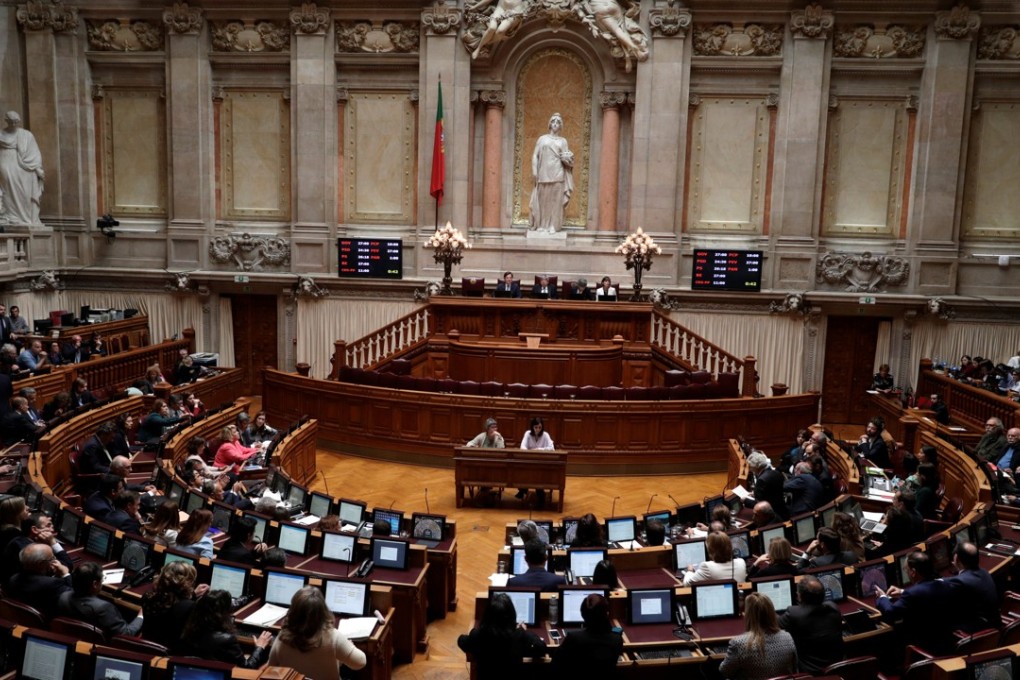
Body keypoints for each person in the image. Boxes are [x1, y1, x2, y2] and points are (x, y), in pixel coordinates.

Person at [268, 586, 366, 679]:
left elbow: (271, 666)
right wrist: (346, 648)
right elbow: (360, 662)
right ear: (323, 611)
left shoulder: (283, 636)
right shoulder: (333, 637)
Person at [875, 551, 957, 656]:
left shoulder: (913, 593)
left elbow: (890, 612)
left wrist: (882, 597)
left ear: (913, 572)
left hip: (923, 649)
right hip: (948, 644)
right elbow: (926, 593)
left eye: (906, 570)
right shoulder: (945, 583)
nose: (907, 573)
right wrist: (902, 592)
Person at [457, 592, 547, 679]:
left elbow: (461, 640)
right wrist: (524, 631)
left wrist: (475, 633)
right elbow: (541, 648)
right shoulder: (519, 635)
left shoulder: (478, 635)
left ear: (487, 615)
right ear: (512, 615)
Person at [179, 589, 272, 666]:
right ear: (223, 614)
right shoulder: (227, 640)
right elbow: (247, 668)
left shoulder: (188, 631)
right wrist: (259, 647)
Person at [718, 592, 798, 680]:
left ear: (748, 615)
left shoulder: (739, 643)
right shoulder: (787, 637)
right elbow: (794, 669)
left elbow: (724, 671)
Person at [778, 576, 843, 674]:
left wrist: (767, 608)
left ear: (799, 596)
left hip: (810, 673)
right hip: (836, 670)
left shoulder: (794, 613)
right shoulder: (833, 608)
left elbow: (774, 624)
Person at [58, 561, 143, 636]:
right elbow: (126, 634)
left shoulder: (63, 596)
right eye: (102, 579)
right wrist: (140, 616)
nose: (102, 582)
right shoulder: (103, 608)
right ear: (95, 584)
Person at [141, 561, 209, 649]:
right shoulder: (189, 607)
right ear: (186, 583)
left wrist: (193, 595)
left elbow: (171, 601)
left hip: (147, 646)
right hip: (172, 652)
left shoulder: (147, 596)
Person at [552, 593, 623, 676]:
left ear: (582, 614)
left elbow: (555, 664)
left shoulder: (573, 638)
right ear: (606, 614)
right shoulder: (617, 639)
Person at [529, 113, 573, 233]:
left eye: (558, 122)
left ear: (560, 126)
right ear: (549, 124)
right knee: (543, 201)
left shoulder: (563, 141)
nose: (555, 124)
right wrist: (534, 170)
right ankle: (542, 225)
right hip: (543, 173)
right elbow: (535, 155)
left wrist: (568, 159)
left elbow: (566, 158)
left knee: (556, 201)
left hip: (558, 173)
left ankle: (554, 225)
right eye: (553, 121)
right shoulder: (542, 139)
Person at [0, 111, 45, 227]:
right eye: (11, 122)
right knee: (7, 187)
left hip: (24, 165)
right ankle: (9, 215)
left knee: (25, 190)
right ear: (7, 121)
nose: (14, 124)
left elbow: (35, 153)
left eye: (16, 122)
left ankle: (25, 217)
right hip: (5, 162)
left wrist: (36, 167)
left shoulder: (26, 135)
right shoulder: (1, 134)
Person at [6, 543, 72, 620]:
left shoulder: (13, 578)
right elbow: (72, 598)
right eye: (52, 558)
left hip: (22, 618)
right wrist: (65, 574)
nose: (55, 560)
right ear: (41, 564)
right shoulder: (52, 584)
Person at [945, 541, 1000, 633]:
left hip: (979, 633)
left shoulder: (960, 581)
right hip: (995, 625)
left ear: (956, 558)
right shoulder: (984, 572)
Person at [683, 530, 747, 584]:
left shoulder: (707, 567)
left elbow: (687, 584)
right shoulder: (741, 562)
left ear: (711, 550)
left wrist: (690, 571)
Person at [515, 416, 554, 500]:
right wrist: (530, 453)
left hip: (542, 463)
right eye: (536, 427)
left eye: (540, 427)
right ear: (532, 427)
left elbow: (552, 448)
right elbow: (522, 447)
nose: (538, 429)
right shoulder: (528, 434)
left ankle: (540, 490)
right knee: (525, 471)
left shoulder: (545, 435)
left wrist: (538, 450)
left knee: (539, 472)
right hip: (529, 461)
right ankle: (523, 489)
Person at [745, 451, 789, 520]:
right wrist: (755, 493)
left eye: (751, 467)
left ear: (756, 467)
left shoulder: (762, 480)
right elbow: (771, 493)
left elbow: (760, 505)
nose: (750, 469)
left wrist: (745, 500)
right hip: (782, 511)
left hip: (770, 515)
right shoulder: (776, 473)